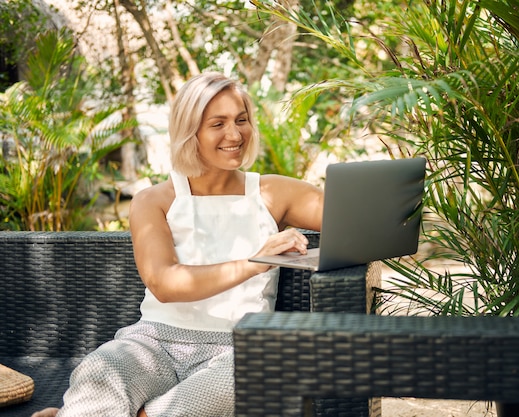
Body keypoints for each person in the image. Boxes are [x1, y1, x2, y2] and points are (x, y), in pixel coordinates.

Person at [32, 72, 323, 417]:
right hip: (152, 343)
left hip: (240, 350)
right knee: (98, 372)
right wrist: (256, 261)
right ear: (190, 131)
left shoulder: (272, 193)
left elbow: (355, 218)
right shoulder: (153, 200)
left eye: (241, 120)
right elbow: (165, 283)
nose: (235, 134)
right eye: (218, 124)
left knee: (230, 389)